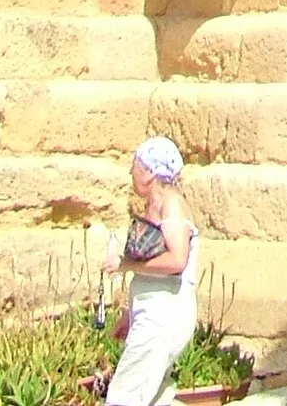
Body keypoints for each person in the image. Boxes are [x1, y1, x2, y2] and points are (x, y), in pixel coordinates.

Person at [106, 136, 199, 406]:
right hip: (153, 315)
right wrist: (130, 314)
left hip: (162, 319)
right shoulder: (158, 205)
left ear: (149, 173)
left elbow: (177, 260)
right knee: (154, 398)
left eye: (135, 166)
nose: (130, 172)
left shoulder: (171, 205)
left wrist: (126, 265)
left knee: (124, 397)